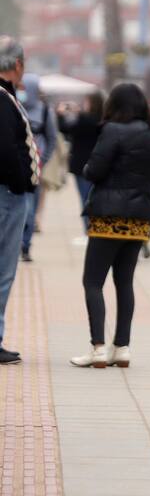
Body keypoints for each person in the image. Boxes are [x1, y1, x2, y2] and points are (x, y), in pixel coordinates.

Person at [69, 84, 150, 368]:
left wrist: (88, 169)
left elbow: (95, 170)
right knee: (124, 282)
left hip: (108, 217)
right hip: (139, 219)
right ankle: (121, 347)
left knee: (93, 281)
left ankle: (98, 348)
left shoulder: (112, 131)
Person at [0, 36, 39, 365]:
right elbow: (7, 150)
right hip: (6, 195)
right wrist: (22, 183)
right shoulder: (2, 99)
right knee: (2, 270)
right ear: (16, 65)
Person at [18, 74, 58, 262]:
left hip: (35, 168)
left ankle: (26, 245)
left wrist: (43, 160)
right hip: (14, 167)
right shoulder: (12, 106)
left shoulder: (44, 112)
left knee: (30, 209)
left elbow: (52, 139)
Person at [57, 91, 103, 235]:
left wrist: (60, 115)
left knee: (84, 199)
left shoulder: (84, 119)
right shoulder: (103, 120)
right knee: (94, 198)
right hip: (98, 164)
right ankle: (95, 227)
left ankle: (88, 229)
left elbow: (65, 128)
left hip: (81, 165)